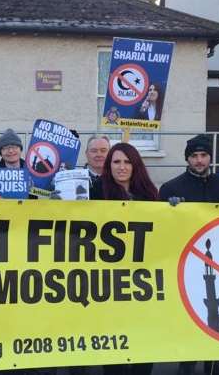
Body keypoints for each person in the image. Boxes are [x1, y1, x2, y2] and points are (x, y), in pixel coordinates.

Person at [159, 134, 219, 375]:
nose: (199, 160)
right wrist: (168, 209)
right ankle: (187, 361)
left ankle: (214, 361)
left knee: (216, 312)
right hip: (187, 263)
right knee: (189, 314)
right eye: (194, 156)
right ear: (187, 159)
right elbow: (161, 228)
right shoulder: (171, 188)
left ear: (210, 157)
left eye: (203, 155)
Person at [89, 142, 156, 375]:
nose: (122, 167)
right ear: (109, 165)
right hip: (111, 285)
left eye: (127, 162)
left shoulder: (150, 196)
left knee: (144, 347)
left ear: (135, 165)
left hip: (142, 284)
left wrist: (174, 208)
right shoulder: (96, 192)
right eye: (116, 161)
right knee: (115, 352)